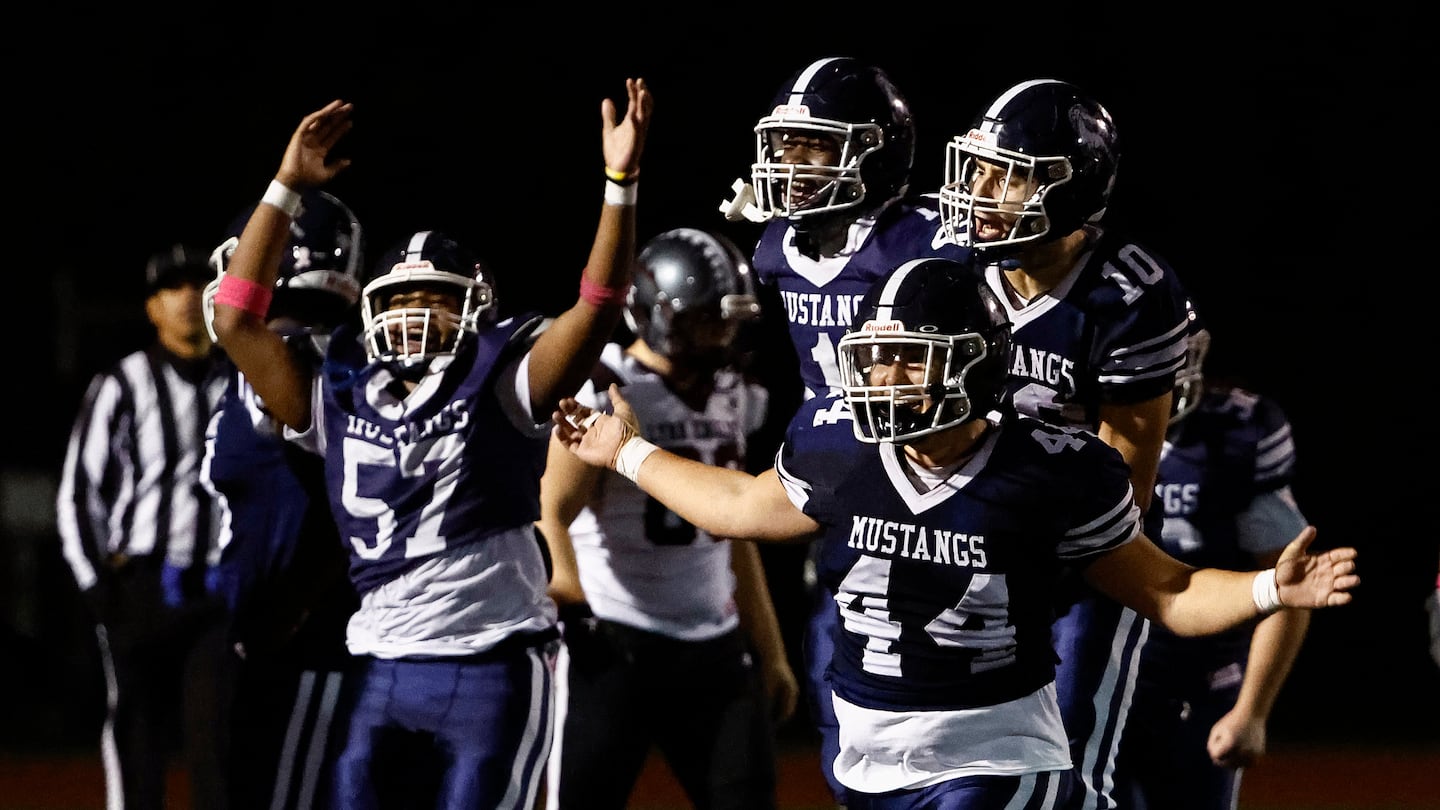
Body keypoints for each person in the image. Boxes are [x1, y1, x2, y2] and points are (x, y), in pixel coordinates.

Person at [550, 257, 1358, 809]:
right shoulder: (838, 447)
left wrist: (1267, 590)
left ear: (973, 365)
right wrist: (623, 449)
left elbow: (1170, 591)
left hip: (997, 758)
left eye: (908, 359)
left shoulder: (1050, 469)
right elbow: (737, 506)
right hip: (870, 759)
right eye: (874, 359)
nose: (881, 379)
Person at [209, 81, 652, 810]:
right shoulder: (337, 391)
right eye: (400, 298)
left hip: (497, 659)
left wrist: (620, 185)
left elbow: (598, 306)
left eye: (437, 297)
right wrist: (285, 185)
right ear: (370, 309)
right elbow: (236, 319)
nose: (416, 313)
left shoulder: (504, 380)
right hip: (380, 662)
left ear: (476, 308)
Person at [718, 56, 971, 806]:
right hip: (839, 481)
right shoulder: (774, 250)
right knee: (847, 693)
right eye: (785, 146)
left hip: (930, 478)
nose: (791, 167)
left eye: (815, 147)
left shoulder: (924, 242)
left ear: (876, 152)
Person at [938, 78, 1193, 809]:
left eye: (1009, 175)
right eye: (980, 168)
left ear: (1071, 189)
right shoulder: (956, 264)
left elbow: (1126, 484)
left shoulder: (1127, 293)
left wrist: (1042, 559)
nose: (982, 191)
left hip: (1084, 556)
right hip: (970, 540)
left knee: (1071, 767)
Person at [538, 226, 799, 810]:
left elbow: (734, 529)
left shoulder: (734, 390)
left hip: (713, 641)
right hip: (617, 637)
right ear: (658, 314)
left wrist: (771, 648)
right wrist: (584, 623)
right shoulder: (606, 386)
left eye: (728, 320)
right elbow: (550, 515)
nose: (723, 335)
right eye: (708, 319)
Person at [200, 190, 366, 810]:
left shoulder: (304, 360)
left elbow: (339, 509)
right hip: (271, 639)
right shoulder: (277, 360)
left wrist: (289, 608)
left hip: (305, 645)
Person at [55, 243, 232, 810]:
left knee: (218, 744)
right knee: (138, 738)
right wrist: (99, 588)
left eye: (196, 286)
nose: (185, 299)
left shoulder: (245, 378)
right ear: (151, 307)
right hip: (143, 585)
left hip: (221, 589)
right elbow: (79, 492)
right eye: (170, 288)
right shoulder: (122, 383)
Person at [1119, 315, 1312, 809]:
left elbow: (1285, 585)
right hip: (1088, 669)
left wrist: (1251, 710)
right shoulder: (1058, 425)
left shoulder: (1237, 434)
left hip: (1196, 681)